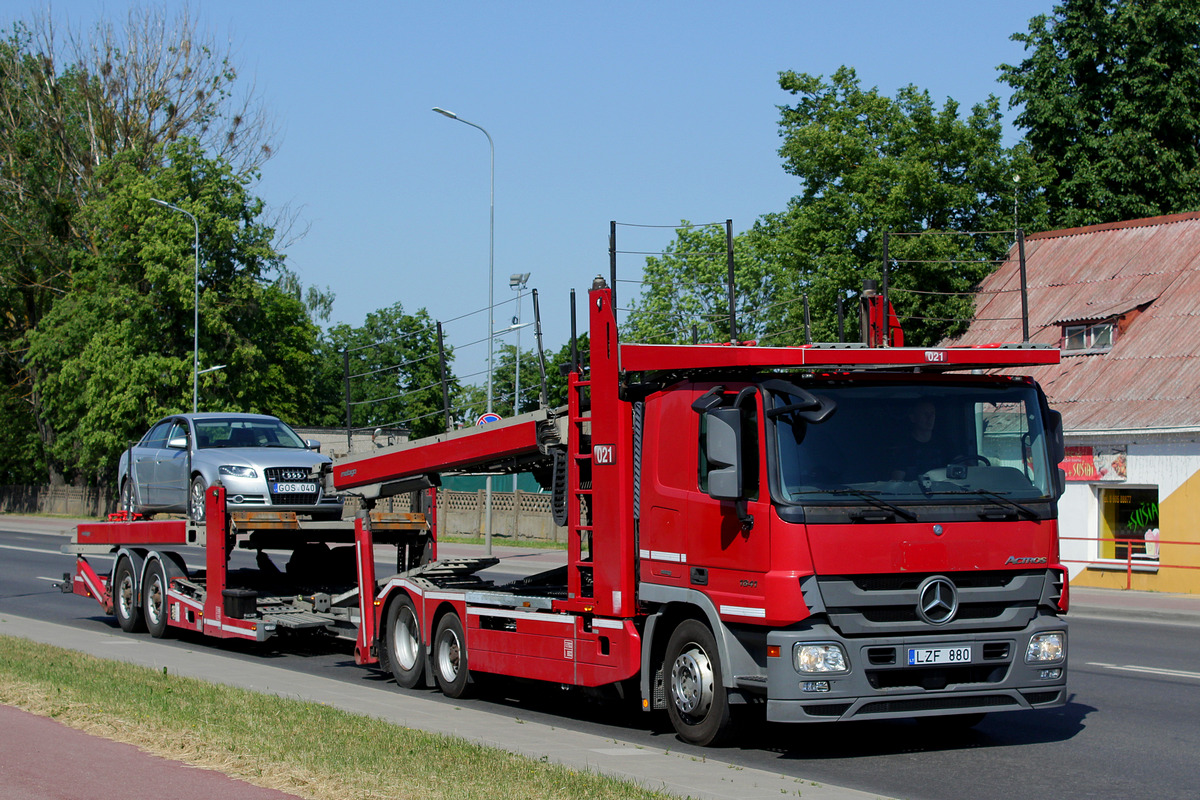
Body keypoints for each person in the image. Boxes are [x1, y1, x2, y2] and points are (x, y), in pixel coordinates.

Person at [891, 400, 947, 480]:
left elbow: (960, 463)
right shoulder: (903, 447)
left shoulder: (944, 442)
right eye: (925, 414)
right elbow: (897, 481)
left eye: (932, 414)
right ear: (913, 418)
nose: (930, 418)